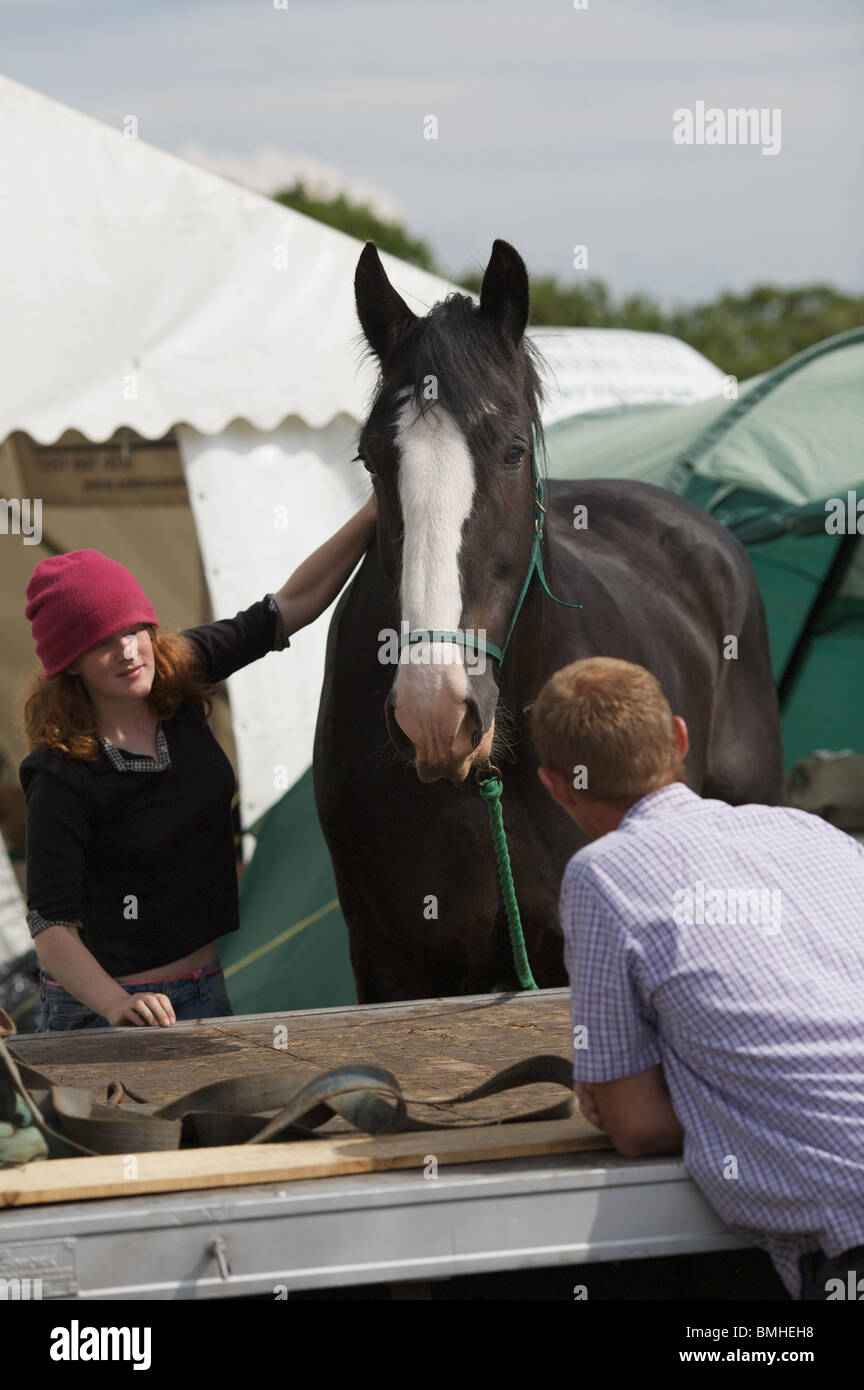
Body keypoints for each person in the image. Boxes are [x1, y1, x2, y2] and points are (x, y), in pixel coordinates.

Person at [530, 656, 864, 1302]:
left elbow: (638, 1127)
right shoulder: (811, 831)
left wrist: (698, 1092)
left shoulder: (602, 875)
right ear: (681, 738)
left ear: (555, 786)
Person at [19, 496, 377, 1032]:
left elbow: (287, 608)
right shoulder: (60, 773)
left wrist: (376, 511)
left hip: (206, 989)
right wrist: (115, 1003)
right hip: (107, 1014)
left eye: (131, 629)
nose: (126, 651)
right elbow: (50, 929)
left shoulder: (179, 672)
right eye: (99, 643)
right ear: (68, 664)